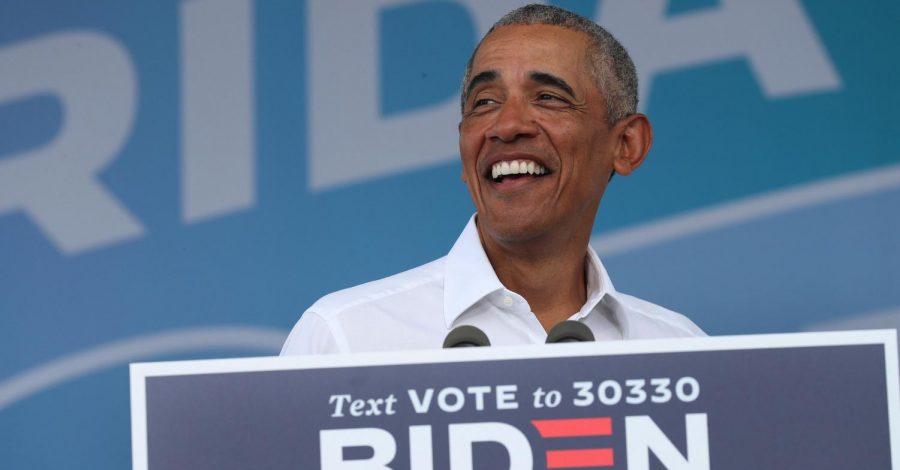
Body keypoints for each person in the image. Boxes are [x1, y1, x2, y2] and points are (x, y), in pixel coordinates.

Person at [281, 4, 703, 355]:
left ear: (627, 144)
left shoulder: (680, 350)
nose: (507, 125)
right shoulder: (346, 339)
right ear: (465, 155)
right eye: (484, 102)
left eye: (549, 97)